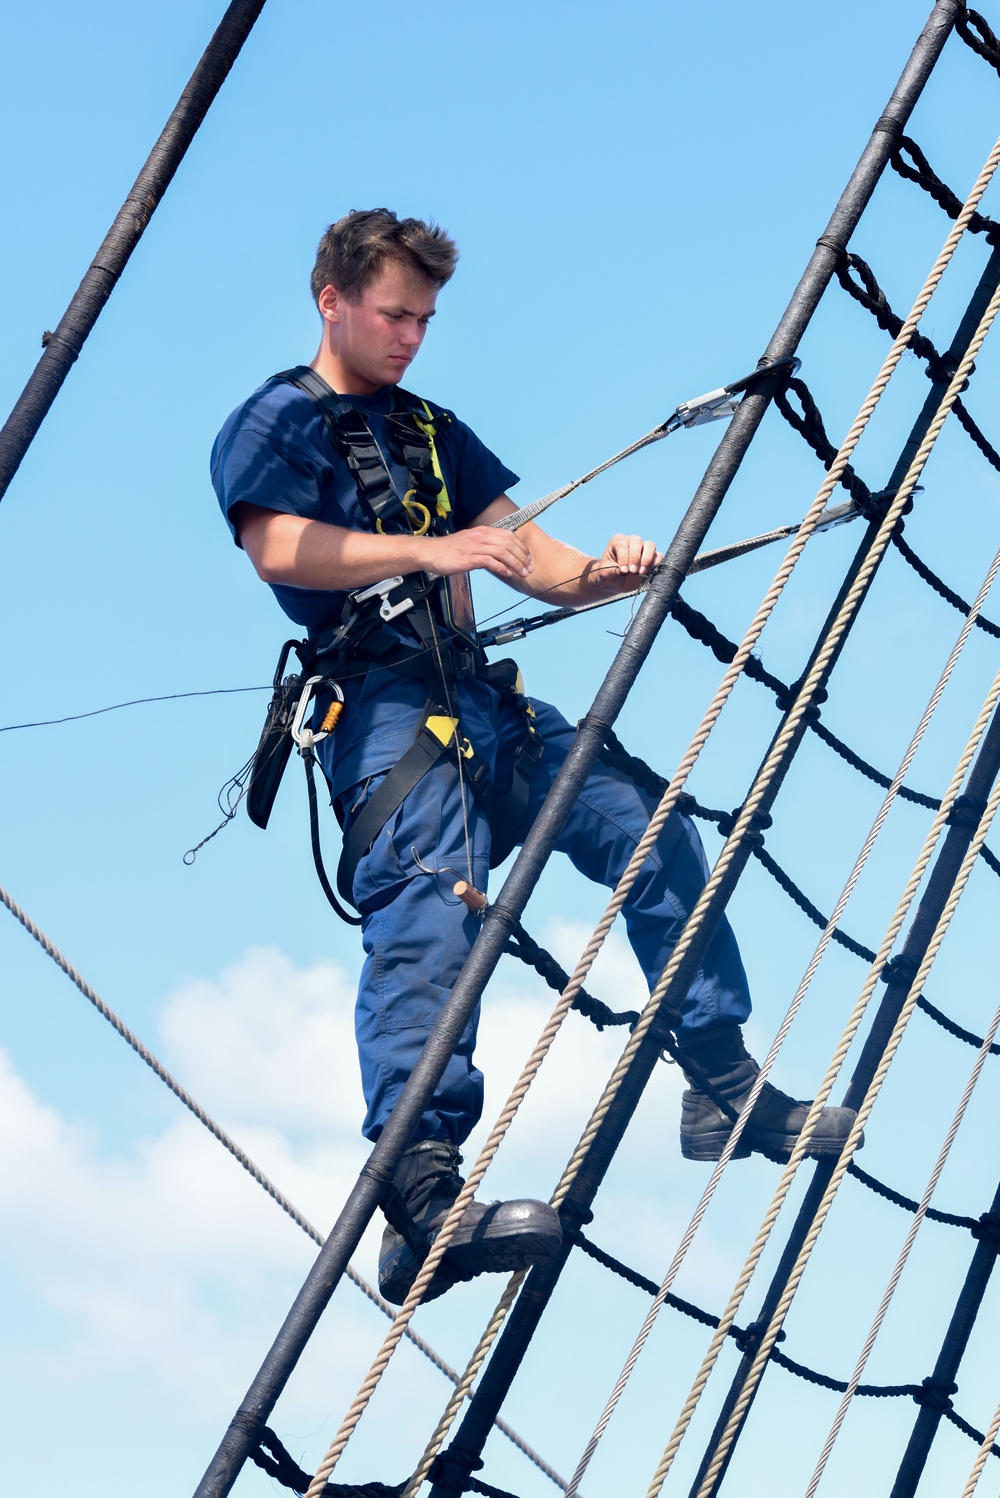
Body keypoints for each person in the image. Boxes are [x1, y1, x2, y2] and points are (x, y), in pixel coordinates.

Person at [211, 208, 857, 1305]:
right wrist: (430, 546)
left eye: (425, 317)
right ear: (333, 301)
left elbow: (535, 562)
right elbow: (276, 544)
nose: (413, 335)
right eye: (394, 314)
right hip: (387, 718)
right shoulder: (277, 419)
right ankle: (419, 1205)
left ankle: (719, 1084)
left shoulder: (431, 429)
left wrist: (609, 568)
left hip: (486, 707)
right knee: (428, 922)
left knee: (655, 833)